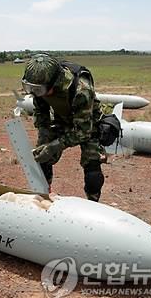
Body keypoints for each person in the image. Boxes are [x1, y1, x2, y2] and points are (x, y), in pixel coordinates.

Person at [21, 54, 104, 202]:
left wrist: (54, 147)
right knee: (42, 157)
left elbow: (83, 132)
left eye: (37, 90)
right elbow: (41, 112)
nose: (34, 93)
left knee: (92, 165)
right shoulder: (40, 86)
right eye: (30, 88)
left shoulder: (81, 91)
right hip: (62, 119)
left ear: (55, 83)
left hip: (88, 124)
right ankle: (43, 197)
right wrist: (45, 139)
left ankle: (93, 202)